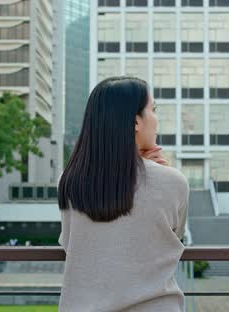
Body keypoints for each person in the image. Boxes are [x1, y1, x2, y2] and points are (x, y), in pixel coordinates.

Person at [57, 77, 189, 311]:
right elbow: (171, 238)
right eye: (153, 109)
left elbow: (72, 245)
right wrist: (146, 168)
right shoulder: (172, 181)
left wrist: (137, 167)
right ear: (136, 121)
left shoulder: (70, 181)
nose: (156, 119)